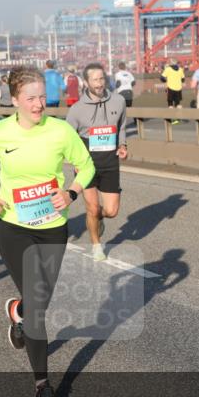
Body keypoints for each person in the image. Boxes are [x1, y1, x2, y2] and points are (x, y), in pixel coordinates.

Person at [0, 66, 95, 397]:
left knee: (39, 299)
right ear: (15, 100)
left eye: (42, 97)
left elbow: (86, 166)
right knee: (39, 307)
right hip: (14, 226)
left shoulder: (61, 130)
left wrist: (71, 192)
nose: (39, 104)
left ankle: (17, 310)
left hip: (53, 226)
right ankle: (43, 386)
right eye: (31, 98)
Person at [66, 62, 127, 261]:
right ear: (86, 82)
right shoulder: (76, 109)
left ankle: (97, 218)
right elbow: (68, 138)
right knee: (92, 208)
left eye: (102, 79)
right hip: (86, 164)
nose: (100, 83)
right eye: (95, 80)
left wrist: (123, 145)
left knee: (111, 211)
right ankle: (96, 246)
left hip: (110, 162)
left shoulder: (118, 101)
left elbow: (122, 126)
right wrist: (75, 160)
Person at [161, 58, 185, 124]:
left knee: (170, 103)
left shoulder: (168, 69)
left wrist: (166, 80)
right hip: (178, 88)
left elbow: (162, 77)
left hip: (170, 88)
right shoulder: (180, 69)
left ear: (170, 63)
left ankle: (171, 118)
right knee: (178, 104)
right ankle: (179, 118)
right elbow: (183, 79)